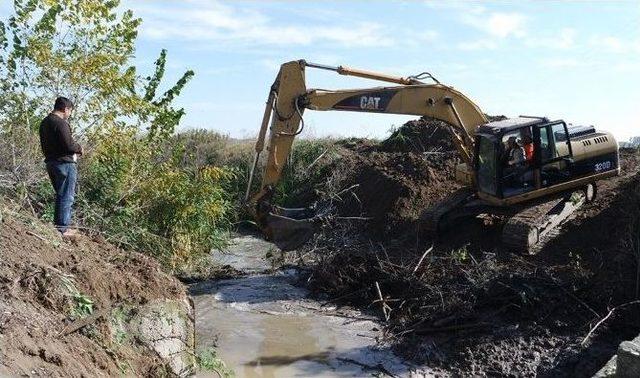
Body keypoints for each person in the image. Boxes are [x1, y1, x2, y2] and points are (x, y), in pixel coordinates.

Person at [39, 97, 83, 238]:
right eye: (70, 111)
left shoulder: (45, 122)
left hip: (51, 163)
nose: (69, 114)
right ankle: (62, 229)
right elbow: (68, 145)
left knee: (61, 194)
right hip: (64, 163)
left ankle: (59, 227)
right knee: (67, 196)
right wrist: (79, 148)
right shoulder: (61, 123)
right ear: (66, 109)